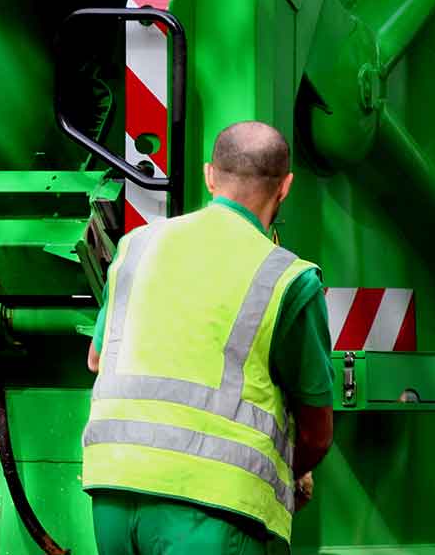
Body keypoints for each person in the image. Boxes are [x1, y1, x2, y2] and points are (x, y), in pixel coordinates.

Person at [82, 121, 336, 554]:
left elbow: (97, 358)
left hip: (113, 489)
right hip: (214, 507)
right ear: (286, 187)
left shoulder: (137, 246)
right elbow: (316, 433)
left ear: (208, 175)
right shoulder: (288, 278)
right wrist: (292, 472)